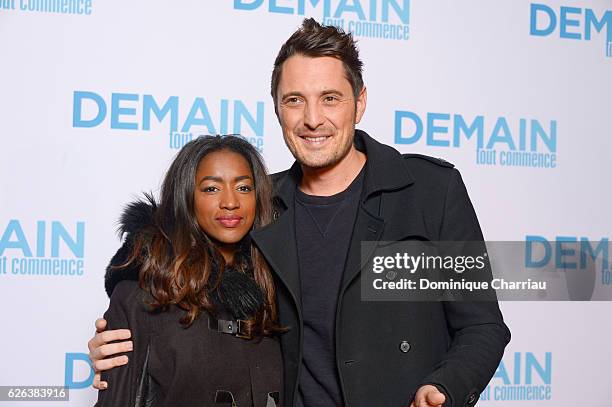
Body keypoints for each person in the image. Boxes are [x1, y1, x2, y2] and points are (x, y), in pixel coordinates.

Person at [89, 19, 511, 407]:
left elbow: (484, 327)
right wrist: (126, 332)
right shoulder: (259, 204)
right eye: (294, 100)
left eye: (330, 98)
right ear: (276, 108)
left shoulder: (431, 191)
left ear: (359, 103)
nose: (312, 119)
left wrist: (445, 387)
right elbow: (175, 252)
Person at [94, 135, 282, 406]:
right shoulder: (141, 294)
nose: (230, 202)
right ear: (186, 196)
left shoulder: (277, 287)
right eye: (211, 189)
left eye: (243, 188)